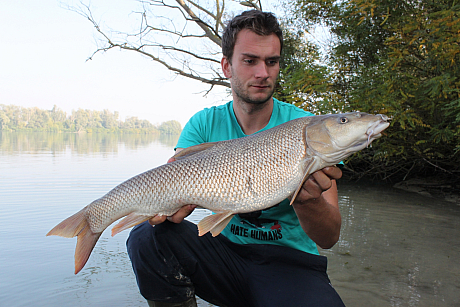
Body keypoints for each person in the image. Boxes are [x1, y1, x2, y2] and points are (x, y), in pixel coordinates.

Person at [127, 10, 345, 307]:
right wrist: (169, 207)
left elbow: (329, 237)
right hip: (224, 255)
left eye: (272, 62)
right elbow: (173, 185)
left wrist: (309, 201)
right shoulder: (203, 124)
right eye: (250, 61)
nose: (263, 73)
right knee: (146, 236)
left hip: (290, 264)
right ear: (227, 66)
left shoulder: (309, 129)